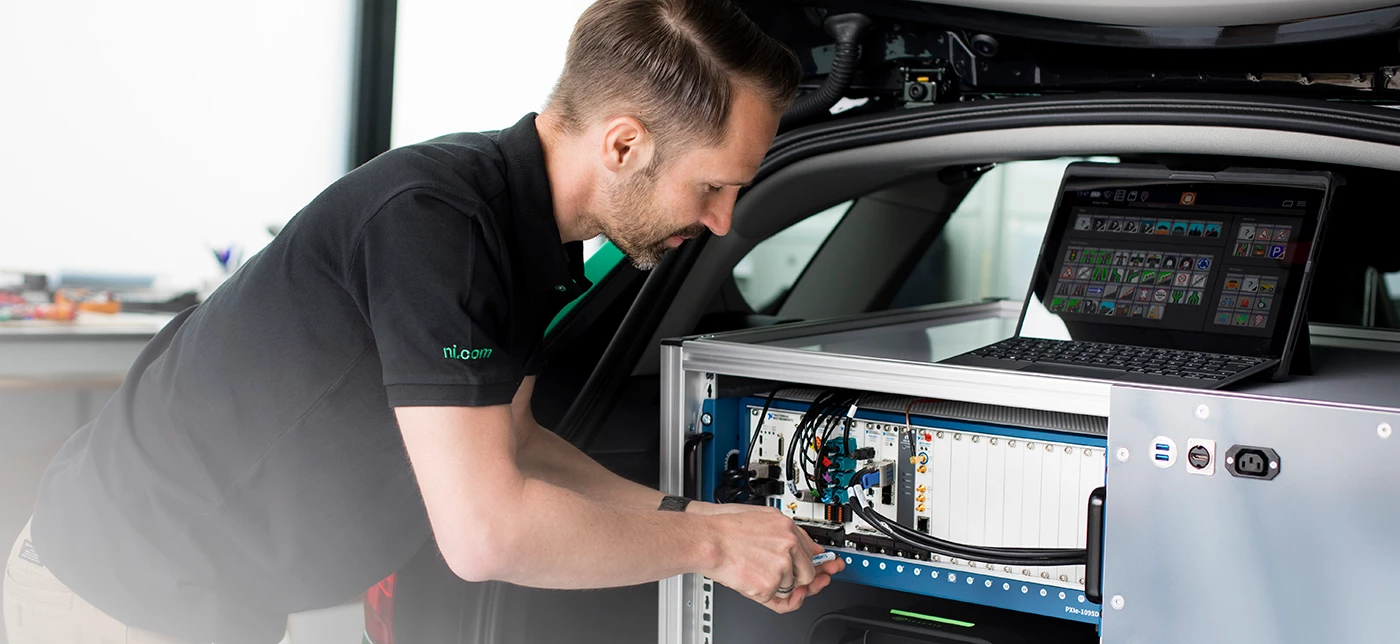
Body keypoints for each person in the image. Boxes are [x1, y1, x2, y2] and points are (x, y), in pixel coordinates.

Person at [2, 1, 844, 642]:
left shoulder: (527, 236)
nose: (726, 221)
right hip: (110, 593)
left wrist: (698, 518)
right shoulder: (438, 221)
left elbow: (513, 441)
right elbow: (486, 534)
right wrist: (714, 552)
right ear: (623, 146)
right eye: (713, 186)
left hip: (209, 593)